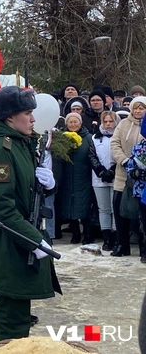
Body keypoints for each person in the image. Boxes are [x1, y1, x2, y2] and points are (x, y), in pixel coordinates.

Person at [0, 86, 61, 341]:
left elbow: (25, 193)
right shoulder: (0, 150)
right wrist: (32, 240)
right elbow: (0, 208)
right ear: (9, 117)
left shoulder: (21, 143)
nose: (34, 119)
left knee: (21, 318)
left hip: (21, 238)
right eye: (27, 112)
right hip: (11, 245)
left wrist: (48, 185)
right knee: (12, 322)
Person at [55, 112, 102, 244]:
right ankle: (75, 233)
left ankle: (88, 234)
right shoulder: (62, 138)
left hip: (84, 177)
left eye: (76, 122)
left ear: (80, 123)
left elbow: (92, 155)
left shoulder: (88, 138)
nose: (73, 124)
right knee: (69, 205)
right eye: (70, 122)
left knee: (85, 206)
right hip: (67, 177)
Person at [110, 96, 146, 256]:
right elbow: (114, 143)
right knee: (120, 210)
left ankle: (143, 247)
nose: (138, 111)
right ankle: (122, 244)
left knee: (140, 214)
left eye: (142, 108)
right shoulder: (123, 124)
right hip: (123, 176)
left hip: (141, 179)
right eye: (135, 108)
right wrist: (124, 161)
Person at [91, 111, 118, 251]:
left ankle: (115, 237)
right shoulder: (95, 137)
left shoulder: (119, 136)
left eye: (111, 121)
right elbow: (92, 155)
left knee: (115, 208)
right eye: (105, 121)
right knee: (104, 208)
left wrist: (112, 170)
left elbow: (121, 154)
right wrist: (100, 170)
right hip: (99, 178)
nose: (108, 124)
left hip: (116, 177)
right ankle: (106, 238)